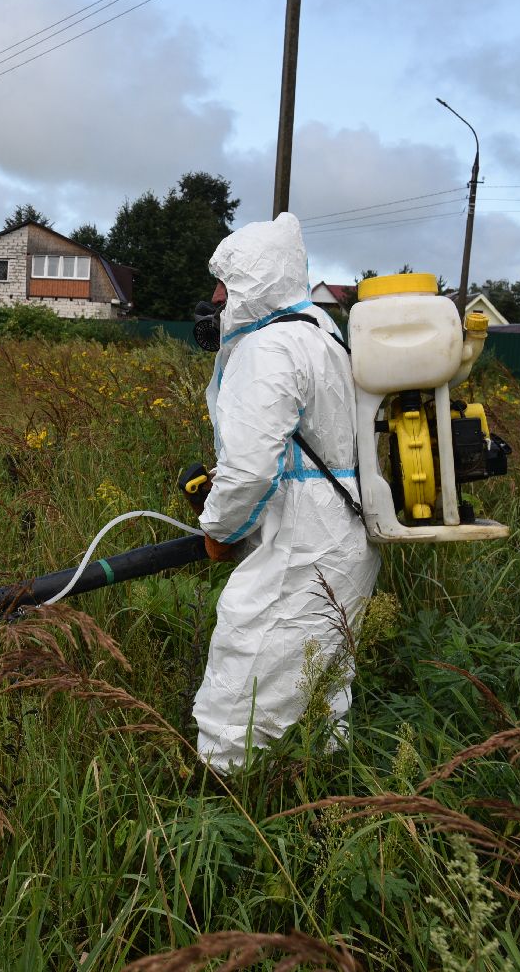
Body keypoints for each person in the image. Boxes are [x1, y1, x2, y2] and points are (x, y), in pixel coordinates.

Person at [191, 213, 380, 771]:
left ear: (256, 283)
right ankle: (318, 793)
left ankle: (226, 803)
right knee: (318, 679)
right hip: (345, 532)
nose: (215, 297)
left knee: (244, 675)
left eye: (225, 284)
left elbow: (250, 469)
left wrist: (219, 530)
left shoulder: (267, 350)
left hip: (303, 538)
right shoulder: (324, 338)